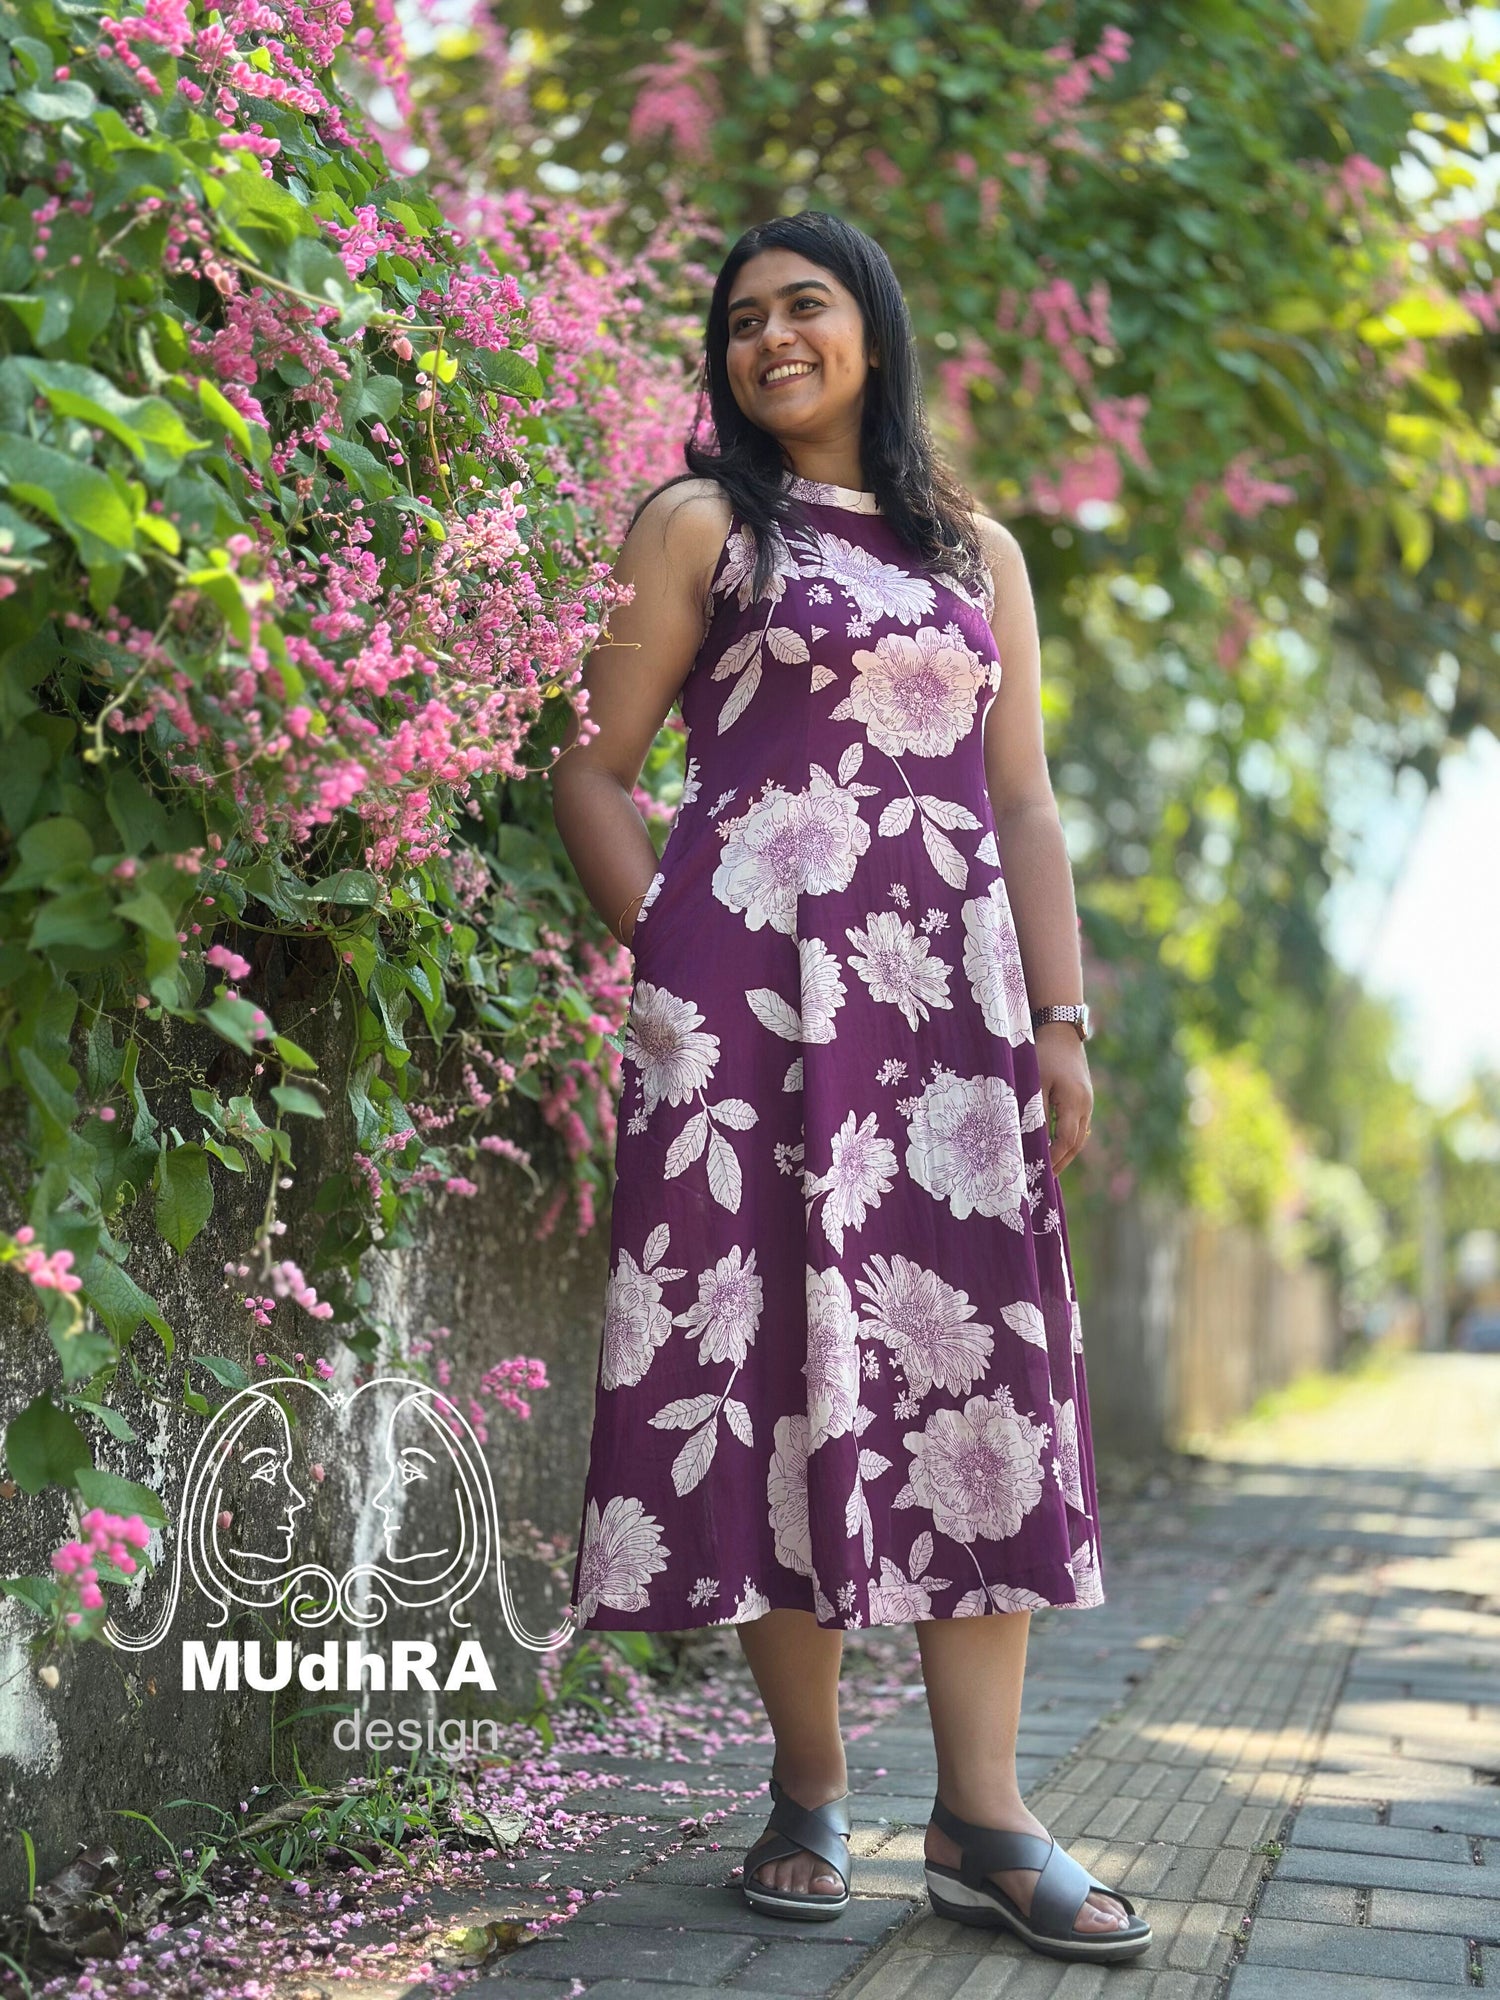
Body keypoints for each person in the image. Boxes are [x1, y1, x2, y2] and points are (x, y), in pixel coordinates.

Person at [548, 210, 1151, 1965]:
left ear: (873, 327)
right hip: (749, 1031)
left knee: (981, 1400)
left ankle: (984, 1815)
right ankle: (809, 1788)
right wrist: (678, 971)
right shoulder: (701, 525)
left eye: (804, 307)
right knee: (766, 1386)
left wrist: (1061, 1019)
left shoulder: (979, 551)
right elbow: (593, 774)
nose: (770, 340)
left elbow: (1021, 802)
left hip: (953, 1029)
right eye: (740, 321)